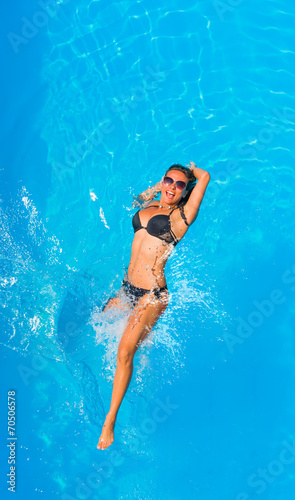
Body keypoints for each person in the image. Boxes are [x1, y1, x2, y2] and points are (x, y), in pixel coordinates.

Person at [97, 161, 210, 449]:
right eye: (168, 181)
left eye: (179, 185)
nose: (173, 187)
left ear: (186, 192)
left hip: (152, 294)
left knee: (124, 353)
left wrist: (192, 172)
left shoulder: (182, 217)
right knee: (97, 320)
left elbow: (205, 177)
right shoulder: (153, 205)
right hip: (128, 290)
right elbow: (136, 201)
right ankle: (138, 340)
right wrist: (160, 188)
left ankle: (110, 421)